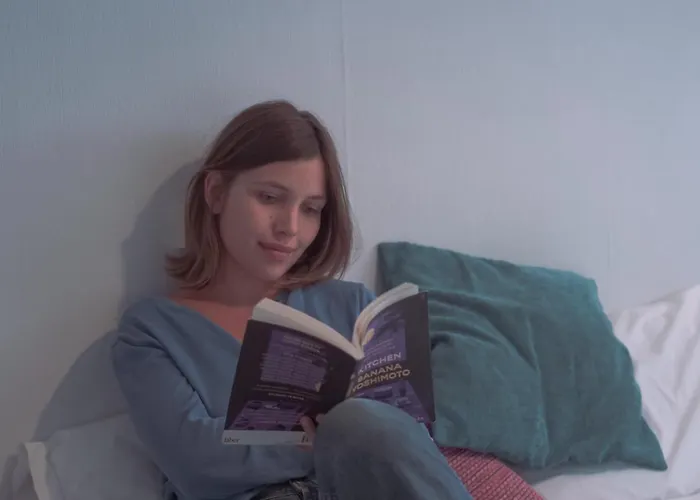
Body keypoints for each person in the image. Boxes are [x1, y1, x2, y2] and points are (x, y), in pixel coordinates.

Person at [112, 100, 472, 500]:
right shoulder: (150, 332)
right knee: (356, 420)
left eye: (311, 209)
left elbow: (411, 442)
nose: (290, 227)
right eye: (269, 197)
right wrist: (325, 436)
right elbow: (195, 465)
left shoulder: (354, 306)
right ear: (215, 193)